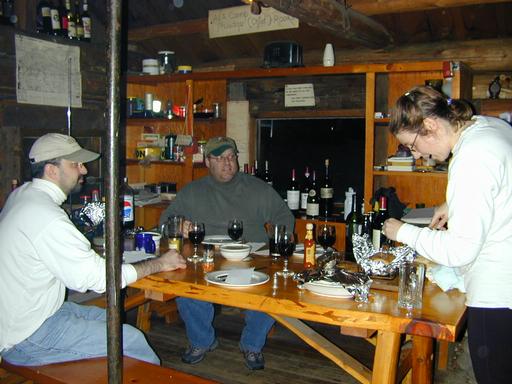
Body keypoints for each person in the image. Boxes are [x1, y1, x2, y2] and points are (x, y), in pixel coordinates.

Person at [0, 133, 186, 367]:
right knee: (130, 340)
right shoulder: (47, 216)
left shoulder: (22, 196)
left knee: (115, 322)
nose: (84, 170)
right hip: (26, 336)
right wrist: (159, 263)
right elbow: (102, 280)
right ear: (52, 170)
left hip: (36, 315)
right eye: (75, 164)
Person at [381, 86, 512, 384]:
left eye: (412, 146)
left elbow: (459, 250)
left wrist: (403, 231)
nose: (418, 156)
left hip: (498, 292)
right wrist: (452, 203)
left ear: (430, 125)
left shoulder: (470, 158)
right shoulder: (488, 127)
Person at [159, 136, 294, 370]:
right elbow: (165, 221)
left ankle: (252, 344)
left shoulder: (257, 188)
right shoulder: (193, 191)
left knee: (273, 289)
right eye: (219, 158)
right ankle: (202, 341)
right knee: (183, 284)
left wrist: (282, 236)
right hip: (207, 257)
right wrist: (178, 226)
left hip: (251, 256)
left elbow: (284, 217)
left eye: (231, 157)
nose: (227, 163)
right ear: (207, 162)